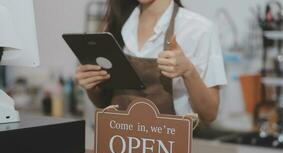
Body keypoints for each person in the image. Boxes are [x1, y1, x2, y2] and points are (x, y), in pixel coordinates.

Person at [75, 0, 227, 124]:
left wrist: (189, 71)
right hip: (120, 148)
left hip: (169, 152)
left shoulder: (199, 30)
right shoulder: (114, 25)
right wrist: (92, 86)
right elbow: (104, 102)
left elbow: (209, 113)